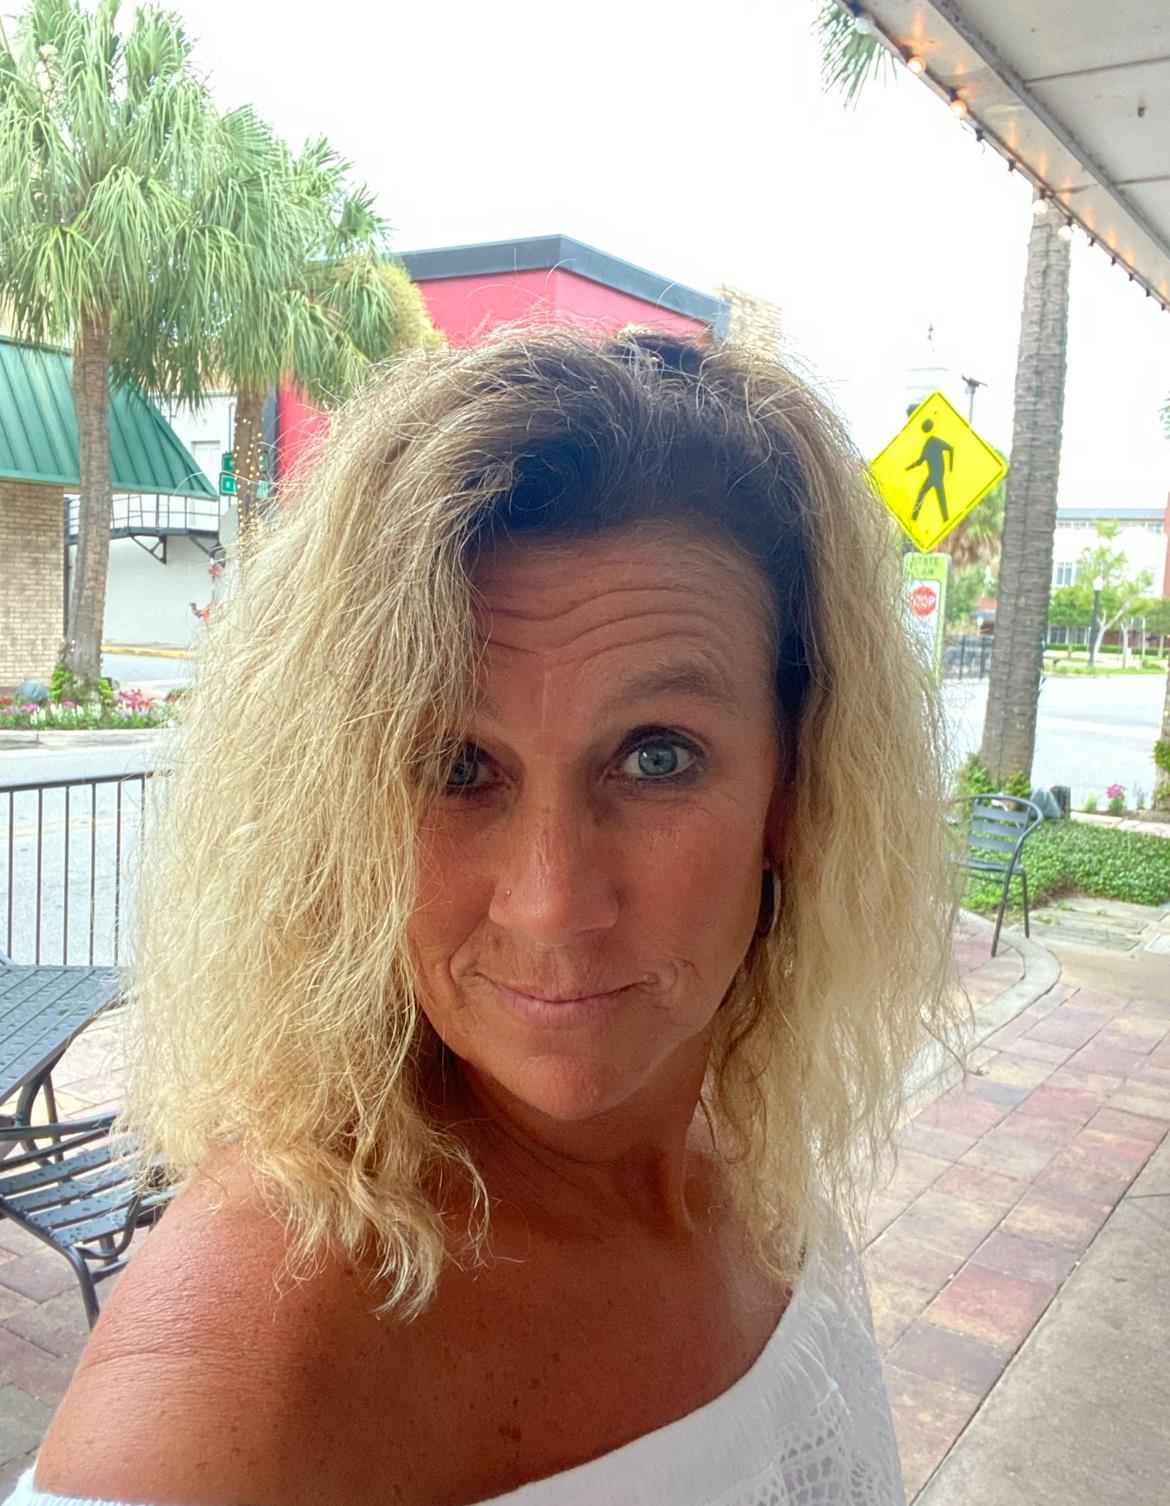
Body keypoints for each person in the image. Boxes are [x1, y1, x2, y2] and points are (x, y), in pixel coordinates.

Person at [12, 328, 959, 1506]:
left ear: (793, 785)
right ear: (343, 804)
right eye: (457, 766)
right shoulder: (257, 1344)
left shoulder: (749, 1161)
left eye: (656, 756)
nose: (552, 903)